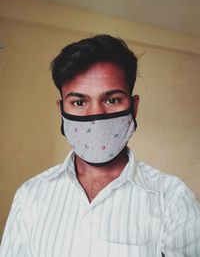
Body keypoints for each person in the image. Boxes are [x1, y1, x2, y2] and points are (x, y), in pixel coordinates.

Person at [0, 34, 200, 257]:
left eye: (112, 100)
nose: (95, 115)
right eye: (79, 102)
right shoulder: (30, 195)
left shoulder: (172, 198)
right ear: (61, 111)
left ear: (133, 107)